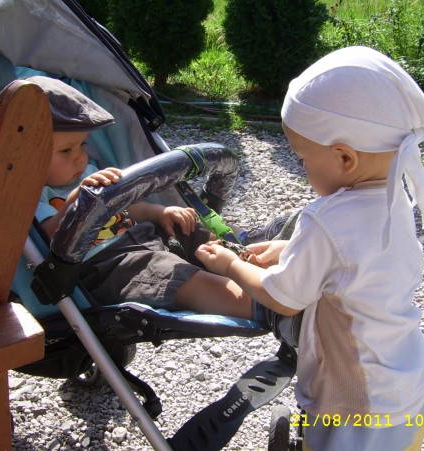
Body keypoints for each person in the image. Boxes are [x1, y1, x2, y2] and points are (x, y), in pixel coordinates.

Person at [195, 46, 424, 450]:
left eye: (303, 159)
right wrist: (291, 247)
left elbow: (283, 297)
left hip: (353, 407)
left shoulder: (326, 220)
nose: (302, 168)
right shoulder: (396, 197)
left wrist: (228, 266)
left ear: (344, 157)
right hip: (404, 389)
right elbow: (354, 260)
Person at [16, 75, 267, 321]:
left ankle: (261, 250)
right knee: (174, 275)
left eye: (82, 144)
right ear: (28, 153)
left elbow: (126, 203)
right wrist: (76, 202)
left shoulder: (88, 171)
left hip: (141, 234)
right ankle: (261, 305)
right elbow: (47, 238)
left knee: (190, 229)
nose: (79, 157)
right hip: (107, 265)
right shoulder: (31, 195)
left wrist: (158, 213)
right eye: (66, 150)